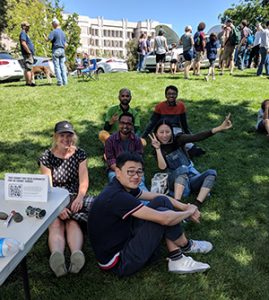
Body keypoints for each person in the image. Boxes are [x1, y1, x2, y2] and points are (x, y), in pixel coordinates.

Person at [88, 151, 212, 277]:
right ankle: (183, 249)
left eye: (139, 171)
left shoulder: (120, 186)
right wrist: (189, 211)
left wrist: (185, 206)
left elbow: (157, 196)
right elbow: (165, 219)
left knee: (161, 201)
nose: (136, 176)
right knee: (163, 216)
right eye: (130, 171)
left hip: (123, 238)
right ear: (118, 172)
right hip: (120, 261)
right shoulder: (117, 196)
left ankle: (178, 253)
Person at [38, 121, 94, 277]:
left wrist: (80, 197)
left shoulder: (79, 154)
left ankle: (76, 254)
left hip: (74, 197)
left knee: (72, 221)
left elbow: (84, 180)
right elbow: (48, 187)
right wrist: (58, 208)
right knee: (55, 222)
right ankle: (57, 257)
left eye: (69, 135)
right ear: (55, 137)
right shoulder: (46, 157)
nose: (66, 139)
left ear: (73, 137)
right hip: (54, 198)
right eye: (62, 135)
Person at [149, 115, 232, 207]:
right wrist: (158, 149)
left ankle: (197, 204)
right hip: (174, 180)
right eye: (161, 132)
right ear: (156, 134)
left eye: (167, 132)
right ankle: (177, 205)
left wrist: (219, 128)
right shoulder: (156, 148)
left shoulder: (178, 139)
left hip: (190, 175)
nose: (165, 135)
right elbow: (163, 167)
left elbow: (196, 137)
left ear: (171, 132)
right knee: (182, 170)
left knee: (211, 173)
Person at [142, 85, 205, 158]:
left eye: (173, 94)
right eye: (169, 94)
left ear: (177, 95)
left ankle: (191, 149)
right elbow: (152, 122)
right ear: (165, 95)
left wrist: (188, 134)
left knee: (184, 141)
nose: (171, 96)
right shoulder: (159, 106)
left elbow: (184, 123)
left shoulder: (181, 106)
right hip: (163, 129)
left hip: (176, 129)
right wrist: (144, 136)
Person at [44, 18, 68, 86]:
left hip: (56, 50)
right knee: (62, 66)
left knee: (57, 66)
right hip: (62, 50)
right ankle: (65, 82)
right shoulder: (63, 33)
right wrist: (63, 50)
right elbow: (66, 44)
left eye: (52, 24)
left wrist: (45, 37)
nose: (52, 25)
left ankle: (60, 82)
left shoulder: (54, 32)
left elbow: (48, 40)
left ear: (54, 24)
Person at [19, 21, 36, 86]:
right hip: (27, 53)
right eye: (27, 26)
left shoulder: (25, 33)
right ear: (23, 27)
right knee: (29, 68)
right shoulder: (23, 33)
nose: (29, 27)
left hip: (27, 53)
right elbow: (23, 43)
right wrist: (28, 51)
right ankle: (29, 82)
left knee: (27, 68)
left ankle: (27, 82)